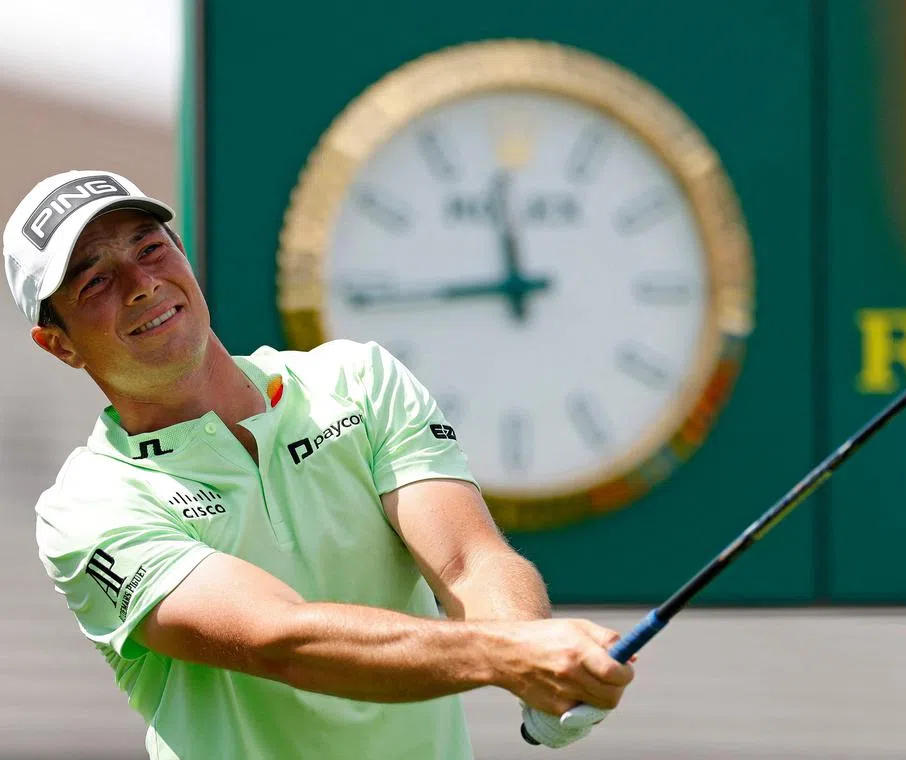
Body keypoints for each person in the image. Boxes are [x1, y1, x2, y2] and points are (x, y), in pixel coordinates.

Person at [3, 170, 634, 759]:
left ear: (182, 253)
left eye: (149, 249)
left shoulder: (358, 379)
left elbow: (467, 561)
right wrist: (511, 656)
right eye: (95, 282)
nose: (141, 284)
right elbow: (283, 640)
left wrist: (537, 666)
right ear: (58, 344)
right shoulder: (87, 508)